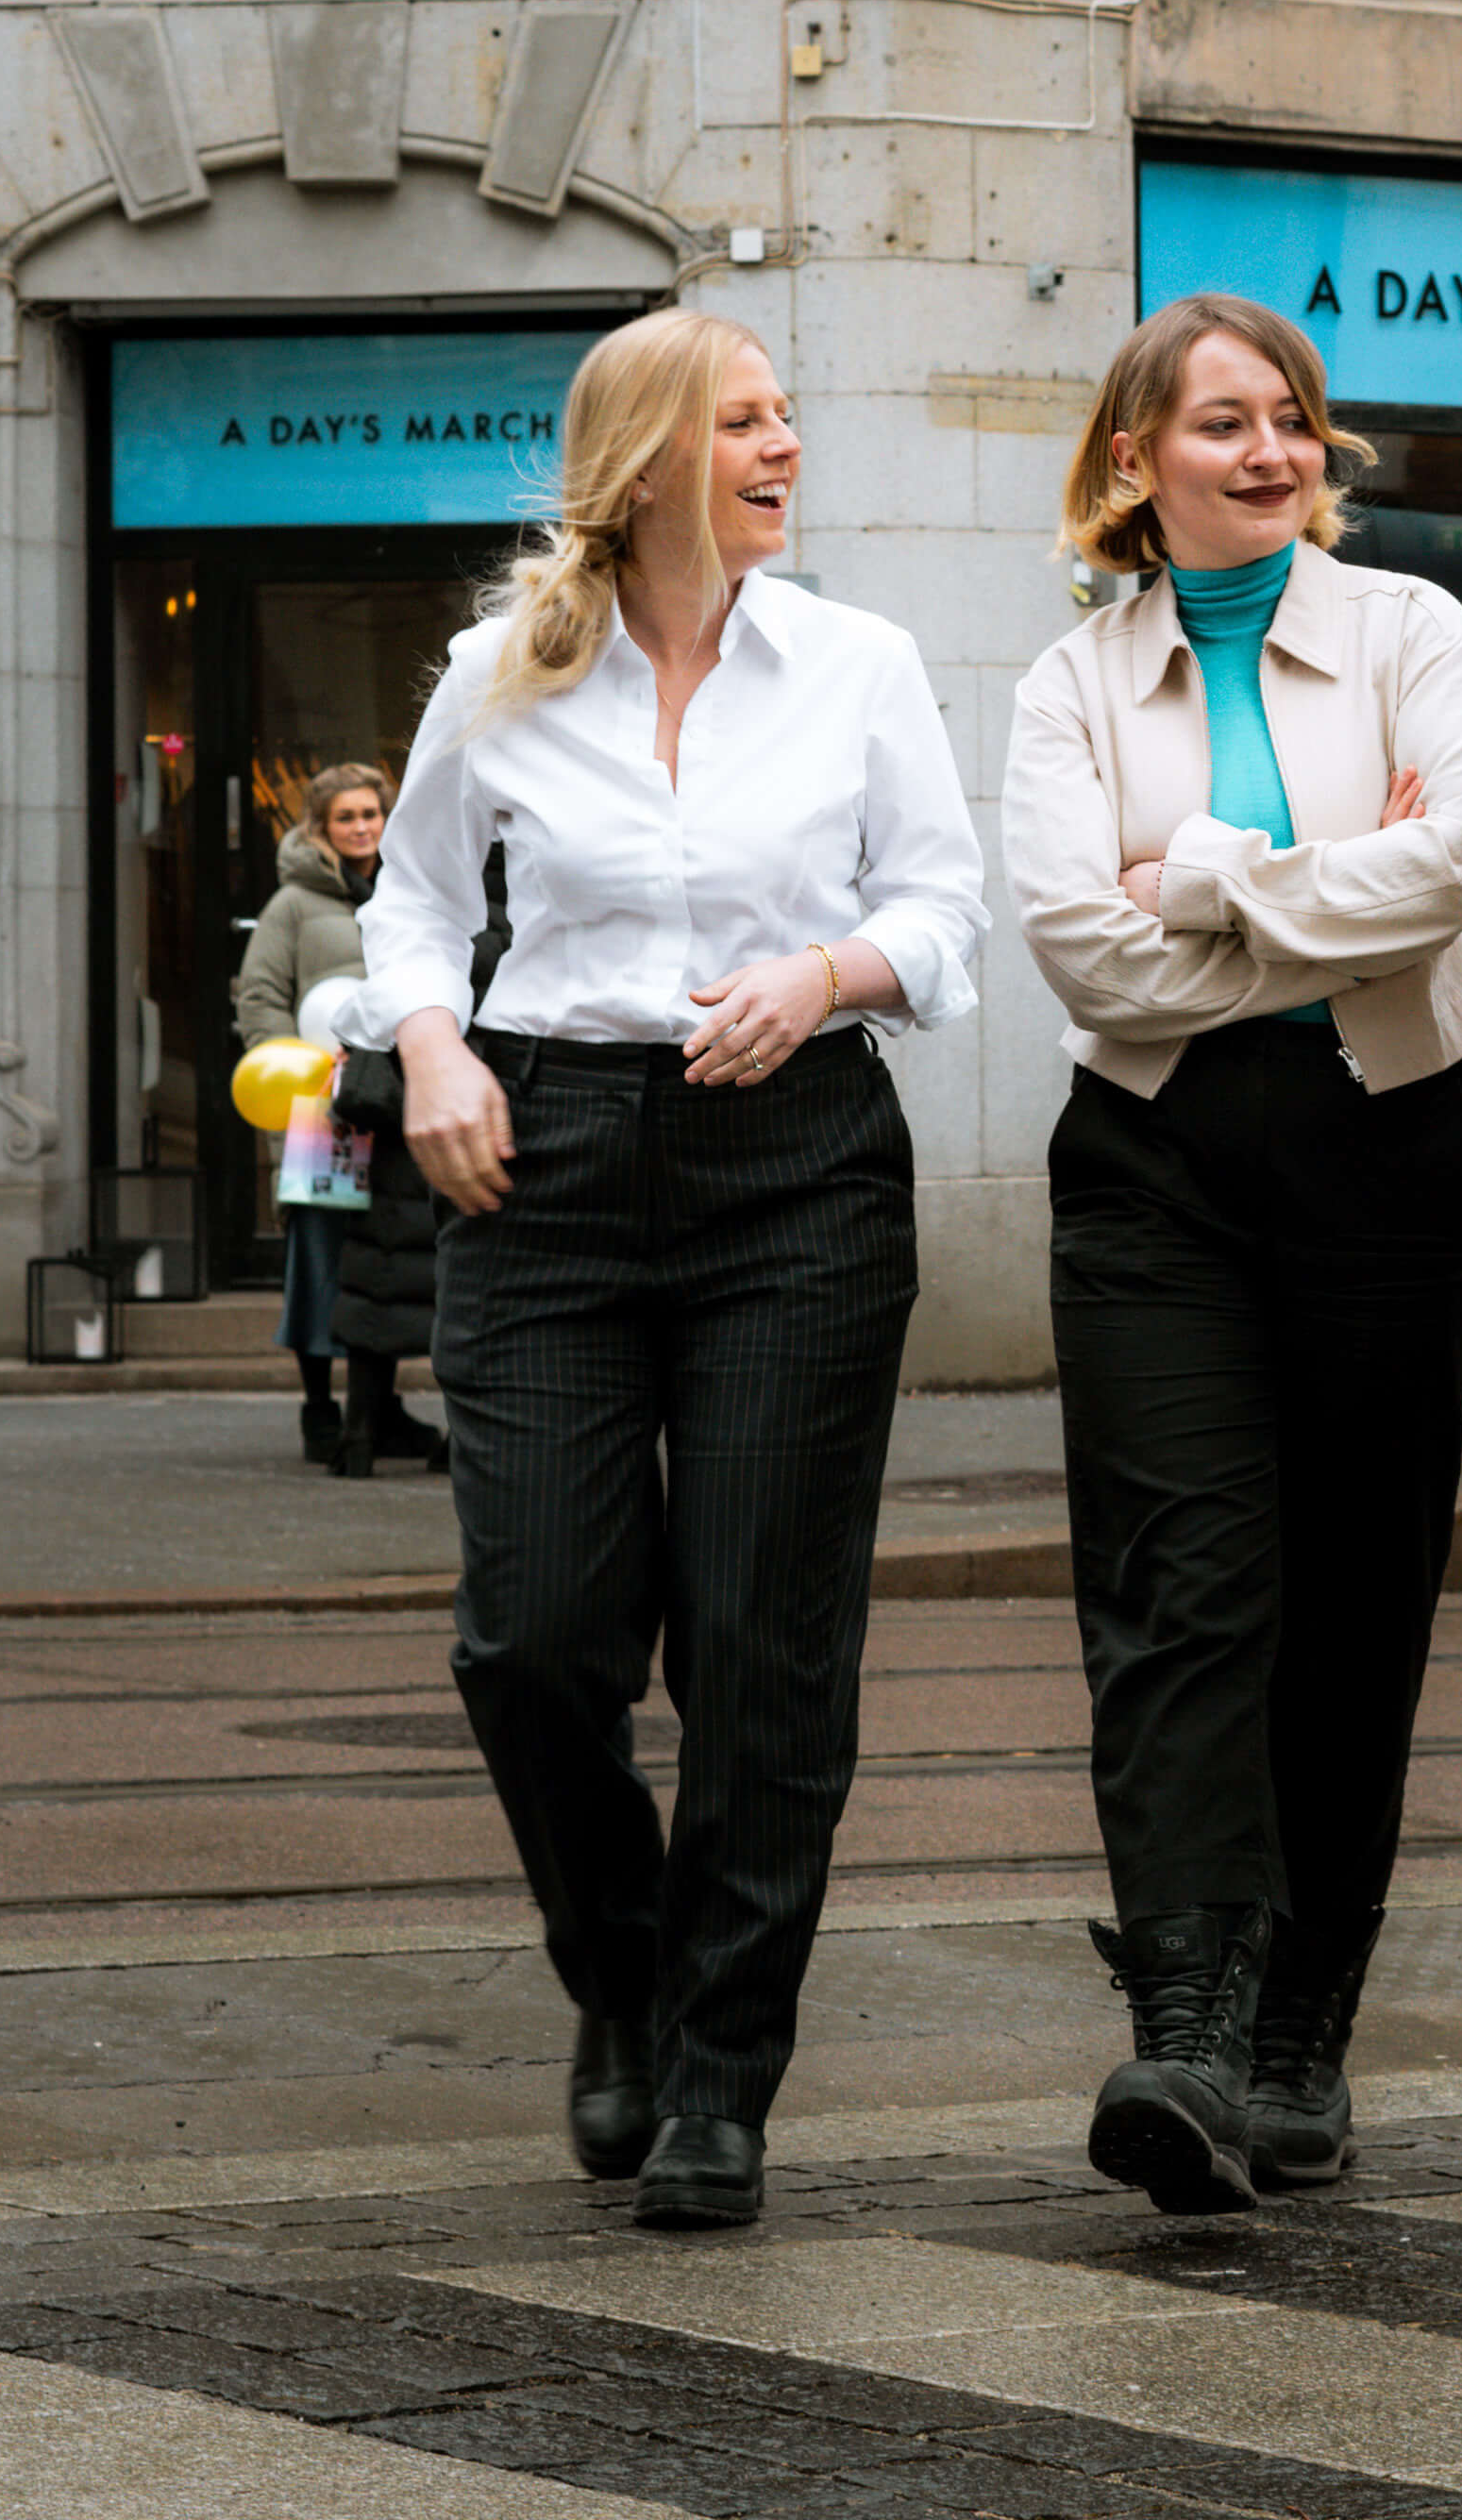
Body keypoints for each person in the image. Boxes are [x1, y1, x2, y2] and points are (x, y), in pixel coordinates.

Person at [353, 306, 986, 2234]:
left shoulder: (860, 663)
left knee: (758, 1644)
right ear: (645, 463)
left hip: (792, 1164)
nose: (784, 445)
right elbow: (413, 903)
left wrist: (826, 974)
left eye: (791, 412)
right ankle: (620, 1964)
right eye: (743, 421)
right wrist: (437, 1047)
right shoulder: (500, 667)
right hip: (543, 1156)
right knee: (531, 1632)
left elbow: (941, 905)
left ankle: (719, 2068)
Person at [1001, 294, 1462, 2210]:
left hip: (1382, 1147)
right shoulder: (1070, 680)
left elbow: (1455, 865)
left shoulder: (1415, 632)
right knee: (1180, 1586)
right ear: (1137, 457)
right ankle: (1196, 2021)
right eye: (1224, 422)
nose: (1271, 450)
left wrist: (1203, 877)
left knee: (1360, 1596)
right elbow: (1078, 939)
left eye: (1291, 418)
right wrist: (1320, 888)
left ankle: (1310, 2018)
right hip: (1153, 1160)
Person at [230, 762, 446, 1478]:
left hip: (395, 1101)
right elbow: (260, 996)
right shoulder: (293, 904)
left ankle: (379, 1412)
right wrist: (288, 1067)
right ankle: (320, 1407)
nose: (361, 827)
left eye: (371, 814)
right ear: (320, 828)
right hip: (322, 1110)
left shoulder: (412, 889)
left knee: (383, 1264)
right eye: (346, 817)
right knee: (322, 1254)